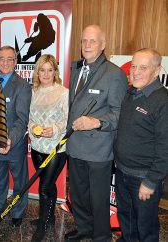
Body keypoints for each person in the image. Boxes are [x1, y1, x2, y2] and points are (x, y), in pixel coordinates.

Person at [65, 25, 128, 242]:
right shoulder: (76, 69)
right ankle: (84, 230)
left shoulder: (115, 74)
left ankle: (101, 236)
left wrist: (96, 122)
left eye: (93, 41)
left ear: (103, 45)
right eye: (84, 41)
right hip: (75, 146)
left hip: (98, 150)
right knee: (79, 196)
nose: (87, 45)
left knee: (98, 200)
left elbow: (119, 114)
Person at [114, 48, 168, 242]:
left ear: (156, 70)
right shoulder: (131, 93)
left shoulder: (163, 101)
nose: (135, 71)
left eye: (143, 68)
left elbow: (165, 148)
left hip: (143, 179)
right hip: (122, 173)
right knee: (127, 222)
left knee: (146, 229)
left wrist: (151, 181)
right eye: (134, 66)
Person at [0, 45, 32, 228]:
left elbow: (21, 119)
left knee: (19, 180)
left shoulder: (23, 86)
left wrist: (9, 139)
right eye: (1, 59)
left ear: (15, 62)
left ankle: (18, 211)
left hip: (14, 143)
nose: (5, 62)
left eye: (9, 59)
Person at [28, 54, 68, 241]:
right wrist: (32, 129)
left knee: (44, 188)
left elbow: (68, 121)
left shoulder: (63, 92)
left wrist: (53, 129)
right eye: (42, 69)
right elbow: (29, 118)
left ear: (55, 72)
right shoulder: (33, 92)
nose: (45, 73)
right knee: (48, 186)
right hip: (37, 147)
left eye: (49, 70)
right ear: (37, 72)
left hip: (56, 148)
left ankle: (42, 225)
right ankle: (49, 218)